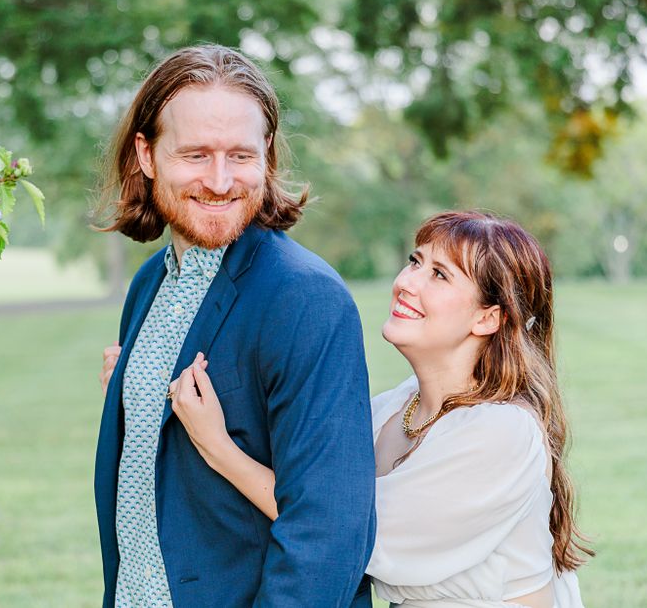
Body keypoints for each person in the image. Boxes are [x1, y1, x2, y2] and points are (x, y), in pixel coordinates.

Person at [149, 211, 593, 608]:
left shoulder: (501, 431)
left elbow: (344, 530)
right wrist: (145, 383)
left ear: (488, 318)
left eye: (439, 275)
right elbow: (308, 476)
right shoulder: (398, 407)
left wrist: (218, 447)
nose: (407, 283)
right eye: (416, 262)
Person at [93, 44, 376, 607]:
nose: (220, 181)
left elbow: (329, 532)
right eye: (196, 155)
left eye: (240, 155)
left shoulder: (305, 297)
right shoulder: (149, 283)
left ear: (266, 153)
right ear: (147, 155)